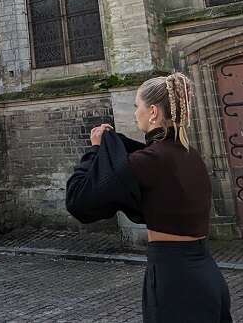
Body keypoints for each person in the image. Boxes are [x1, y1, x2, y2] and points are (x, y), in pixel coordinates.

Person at [78, 73, 231, 323]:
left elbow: (81, 201)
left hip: (175, 279)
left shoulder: (150, 161)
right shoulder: (189, 155)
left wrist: (96, 151)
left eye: (136, 106)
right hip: (207, 274)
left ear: (152, 112)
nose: (135, 112)